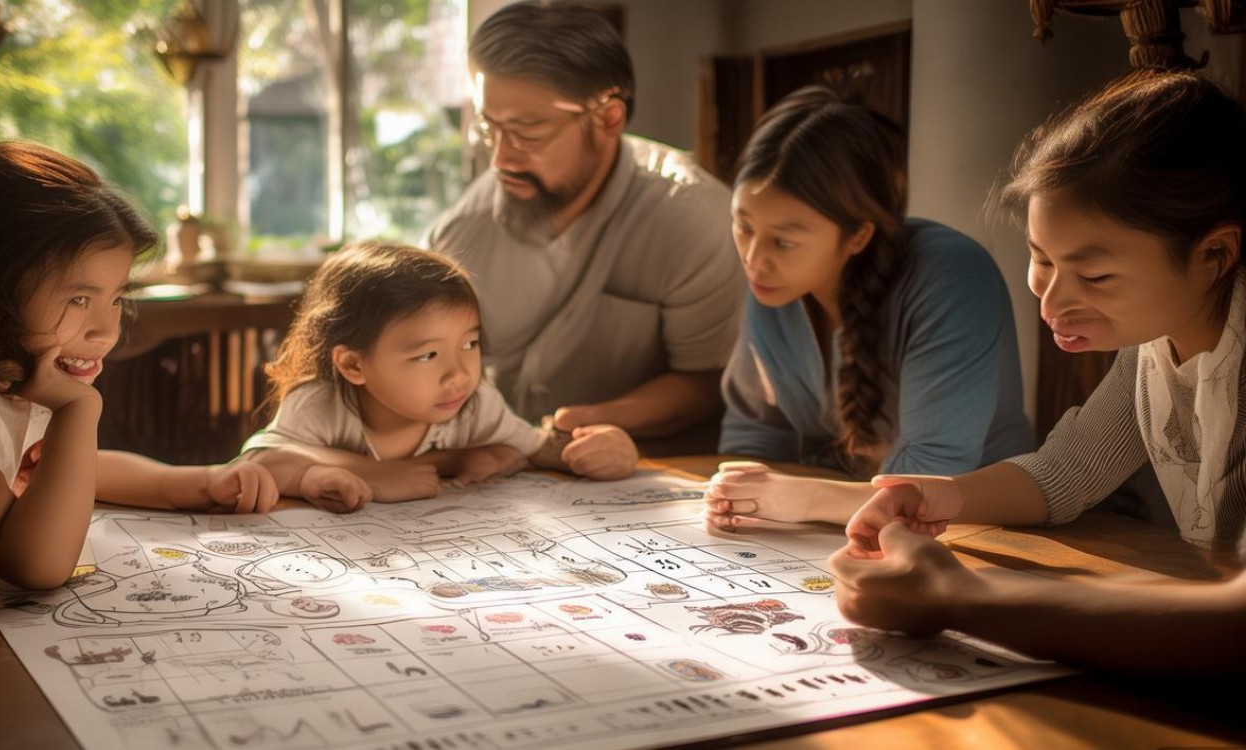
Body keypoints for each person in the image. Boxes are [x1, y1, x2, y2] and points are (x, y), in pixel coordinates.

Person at [828, 70, 1246, 674]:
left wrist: (958, 596)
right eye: (1040, 258)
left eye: (1095, 277)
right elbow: (1065, 472)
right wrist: (939, 495)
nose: (1050, 303)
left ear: (1215, 254)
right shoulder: (1155, 343)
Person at [0, 142, 279, 591]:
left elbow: (73, 469)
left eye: (116, 298)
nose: (106, 329)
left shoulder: (5, 372)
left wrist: (203, 481)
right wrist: (78, 409)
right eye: (79, 299)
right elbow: (35, 565)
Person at [705, 87, 1033, 533]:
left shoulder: (951, 275)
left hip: (982, 533)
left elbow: (927, 482)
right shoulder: (775, 286)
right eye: (743, 227)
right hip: (829, 528)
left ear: (858, 235)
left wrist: (797, 496)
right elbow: (756, 437)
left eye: (784, 241)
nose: (754, 258)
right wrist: (735, 498)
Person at [425, 0, 744, 452]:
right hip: (499, 471)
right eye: (488, 127)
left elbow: (707, 380)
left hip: (653, 478)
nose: (501, 158)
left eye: (529, 130)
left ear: (608, 118)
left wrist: (587, 424)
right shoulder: (461, 230)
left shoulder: (694, 220)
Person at [239, 241, 638, 508]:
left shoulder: (475, 403)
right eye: (429, 354)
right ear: (353, 365)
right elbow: (258, 460)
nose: (459, 373)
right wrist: (376, 475)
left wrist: (607, 450)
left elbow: (538, 447)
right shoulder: (322, 403)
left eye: (469, 344)